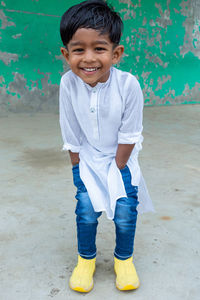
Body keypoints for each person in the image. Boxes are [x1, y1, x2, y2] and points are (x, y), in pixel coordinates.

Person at [59, 0, 154, 293]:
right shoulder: (67, 84)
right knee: (86, 211)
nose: (89, 59)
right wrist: (78, 168)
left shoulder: (128, 86)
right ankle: (85, 260)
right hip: (87, 160)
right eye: (78, 49)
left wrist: (118, 169)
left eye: (99, 49)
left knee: (125, 211)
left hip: (121, 161)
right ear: (66, 54)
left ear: (116, 53)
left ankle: (123, 259)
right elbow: (71, 130)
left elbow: (130, 134)